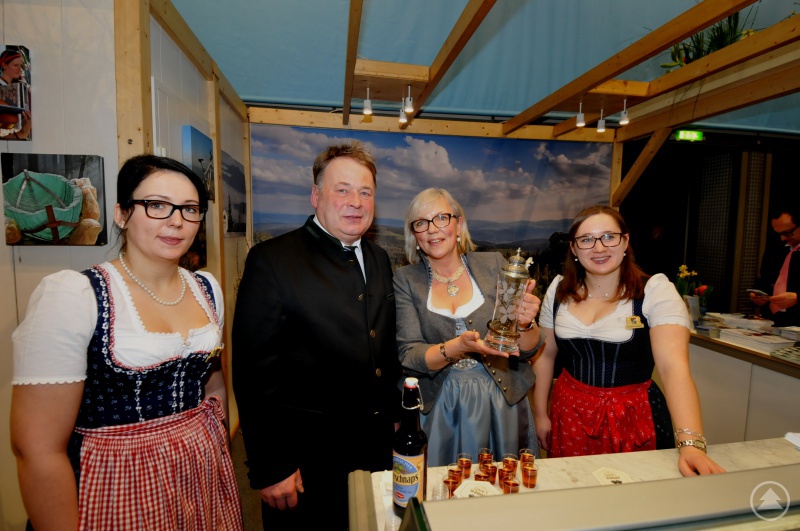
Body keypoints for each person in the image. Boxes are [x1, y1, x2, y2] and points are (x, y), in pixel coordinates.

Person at [10, 155, 242, 530]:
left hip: (198, 480)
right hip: (114, 484)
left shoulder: (206, 288)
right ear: (121, 213)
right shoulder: (74, 295)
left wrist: (210, 449)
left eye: (190, 209)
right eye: (157, 205)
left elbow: (214, 383)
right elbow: (37, 450)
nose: (176, 220)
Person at [232, 142, 401, 530]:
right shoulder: (272, 261)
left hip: (373, 450)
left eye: (365, 192)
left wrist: (394, 420)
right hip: (308, 462)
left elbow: (382, 347)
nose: (355, 202)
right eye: (342, 189)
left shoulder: (377, 258)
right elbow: (254, 375)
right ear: (316, 195)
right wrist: (271, 467)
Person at [532, 205, 725, 476]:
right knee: (572, 493)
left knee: (636, 496)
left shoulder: (655, 290)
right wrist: (541, 414)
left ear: (625, 241)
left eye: (609, 236)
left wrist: (691, 444)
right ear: (574, 250)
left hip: (633, 414)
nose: (598, 248)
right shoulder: (559, 289)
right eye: (586, 240)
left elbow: (673, 369)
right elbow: (545, 356)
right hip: (569, 411)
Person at [394, 188, 542, 467]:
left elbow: (527, 350)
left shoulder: (495, 265)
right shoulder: (406, 280)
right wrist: (458, 347)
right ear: (414, 235)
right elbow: (409, 355)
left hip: (500, 402)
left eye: (442, 218)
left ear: (458, 224)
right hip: (439, 408)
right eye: (421, 223)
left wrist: (524, 323)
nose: (432, 230)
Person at [750, 205, 800, 327]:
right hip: (772, 323)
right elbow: (765, 280)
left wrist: (797, 298)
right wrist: (758, 296)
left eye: (787, 233)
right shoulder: (775, 249)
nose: (782, 238)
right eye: (779, 233)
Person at [0, 49, 31, 140]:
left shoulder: (22, 86)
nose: (19, 69)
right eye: (15, 65)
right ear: (4, 65)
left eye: (20, 66)